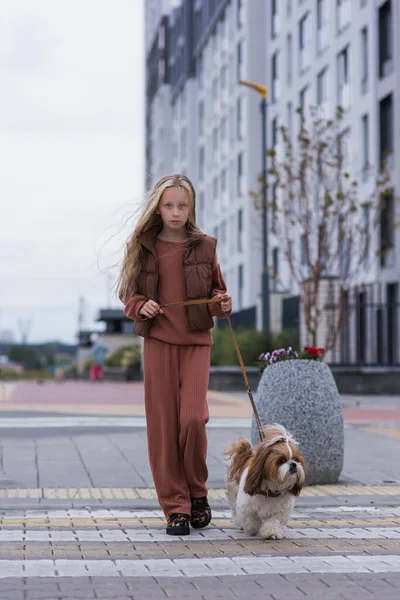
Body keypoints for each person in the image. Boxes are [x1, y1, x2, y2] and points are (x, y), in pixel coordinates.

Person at [118, 174, 232, 536]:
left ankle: (198, 492)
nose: (176, 211)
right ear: (158, 207)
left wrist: (222, 304)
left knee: (193, 420)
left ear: (191, 207)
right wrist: (140, 306)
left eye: (182, 205)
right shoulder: (142, 245)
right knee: (164, 428)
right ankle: (176, 507)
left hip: (196, 344)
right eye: (169, 205)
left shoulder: (206, 247)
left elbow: (219, 296)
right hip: (158, 345)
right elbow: (128, 293)